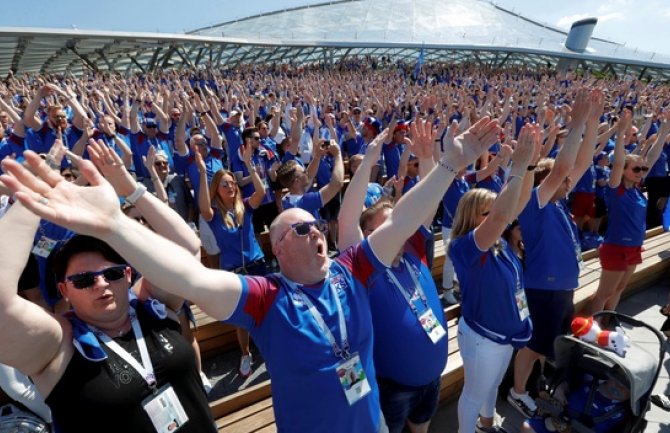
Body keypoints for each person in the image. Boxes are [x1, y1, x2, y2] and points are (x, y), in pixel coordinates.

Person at [1, 115, 500, 433]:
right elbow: (192, 274)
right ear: (279, 249)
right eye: (302, 228)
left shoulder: (351, 269)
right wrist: (114, 224)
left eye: (316, 227)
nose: (316, 231)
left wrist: (447, 167)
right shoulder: (266, 298)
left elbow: (404, 220)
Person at [0, 142, 218, 432]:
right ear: (64, 291)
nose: (100, 283)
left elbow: (188, 248)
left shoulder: (149, 306)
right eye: (84, 280)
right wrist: (32, 200)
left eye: (112, 274)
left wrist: (131, 194)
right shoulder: (58, 346)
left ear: (128, 275)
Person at [337, 123, 451, 433]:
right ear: (369, 236)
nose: (399, 231)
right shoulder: (362, 266)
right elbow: (347, 221)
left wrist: (427, 159)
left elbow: (426, 205)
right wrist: (369, 160)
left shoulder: (413, 248)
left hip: (432, 379)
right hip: (393, 387)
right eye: (390, 228)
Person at [509, 89, 602, 418]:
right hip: (544, 289)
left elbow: (583, 160)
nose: (570, 181)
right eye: (563, 180)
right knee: (534, 345)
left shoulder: (560, 203)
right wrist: (575, 122)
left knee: (553, 342)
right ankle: (517, 392)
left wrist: (592, 122)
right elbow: (565, 166)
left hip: (561, 287)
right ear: (551, 180)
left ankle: (543, 385)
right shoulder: (536, 201)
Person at [449, 123, 540, 433]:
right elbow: (503, 214)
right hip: (482, 337)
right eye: (487, 213)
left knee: (492, 385)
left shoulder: (498, 240)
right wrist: (515, 168)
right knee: (474, 392)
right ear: (473, 215)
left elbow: (518, 202)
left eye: (495, 212)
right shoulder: (466, 247)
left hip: (502, 334)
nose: (498, 217)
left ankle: (487, 424)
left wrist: (528, 166)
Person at [196, 142, 268, 378]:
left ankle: (269, 346)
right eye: (225, 184)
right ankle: (245, 353)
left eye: (233, 183)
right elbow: (203, 205)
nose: (231, 186)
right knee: (242, 317)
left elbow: (261, 192)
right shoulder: (213, 215)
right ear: (217, 188)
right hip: (234, 271)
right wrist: (202, 175)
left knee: (266, 309)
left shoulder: (245, 206)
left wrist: (249, 165)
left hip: (257, 265)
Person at [589, 110, 670, 314]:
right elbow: (617, 162)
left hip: (634, 247)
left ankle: (608, 320)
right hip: (616, 247)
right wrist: (621, 133)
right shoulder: (617, 188)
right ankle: (593, 329)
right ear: (623, 170)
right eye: (636, 169)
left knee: (619, 288)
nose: (641, 173)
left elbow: (651, 155)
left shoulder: (636, 189)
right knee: (604, 293)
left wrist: (665, 128)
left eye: (642, 170)